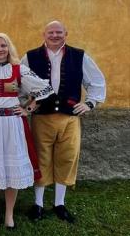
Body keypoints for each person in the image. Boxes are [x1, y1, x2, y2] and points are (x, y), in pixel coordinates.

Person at [25, 20, 106, 223]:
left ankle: (59, 204)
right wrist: (27, 104)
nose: (55, 35)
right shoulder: (31, 56)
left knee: (67, 158)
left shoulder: (79, 56)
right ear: (44, 34)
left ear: (66, 34)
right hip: (41, 117)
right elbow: (20, 84)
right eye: (51, 32)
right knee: (40, 158)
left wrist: (89, 103)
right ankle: (38, 204)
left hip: (69, 118)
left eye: (58, 32)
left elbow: (97, 82)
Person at [0, 33, 52, 229]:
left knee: (11, 170)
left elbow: (44, 89)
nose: (0, 49)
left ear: (9, 48)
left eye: (3, 46)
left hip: (12, 124)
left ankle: (9, 214)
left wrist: (28, 109)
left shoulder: (19, 69)